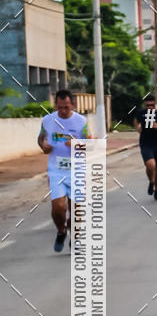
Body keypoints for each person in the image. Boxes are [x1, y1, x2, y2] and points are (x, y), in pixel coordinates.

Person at [37, 88, 90, 252]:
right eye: (60, 107)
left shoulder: (81, 121)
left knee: (75, 209)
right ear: (56, 105)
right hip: (56, 170)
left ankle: (75, 238)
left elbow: (90, 144)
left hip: (77, 169)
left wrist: (77, 145)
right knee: (58, 208)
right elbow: (41, 139)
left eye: (66, 107)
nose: (63, 111)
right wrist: (44, 146)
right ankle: (61, 231)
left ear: (72, 104)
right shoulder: (47, 120)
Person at [133, 95, 157, 201]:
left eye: (152, 105)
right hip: (145, 143)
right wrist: (137, 127)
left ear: (155, 105)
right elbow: (136, 120)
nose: (150, 107)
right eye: (147, 105)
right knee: (150, 165)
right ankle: (151, 182)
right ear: (145, 105)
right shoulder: (141, 113)